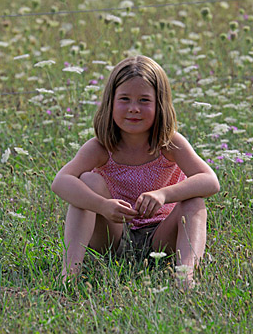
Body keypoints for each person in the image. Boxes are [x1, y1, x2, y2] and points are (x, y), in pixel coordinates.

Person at [51, 55, 220, 287]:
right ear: (110, 102)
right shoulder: (101, 146)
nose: (133, 109)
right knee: (88, 181)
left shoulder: (169, 143)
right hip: (114, 236)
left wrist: (164, 194)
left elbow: (210, 181)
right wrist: (102, 206)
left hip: (162, 238)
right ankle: (69, 277)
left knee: (194, 202)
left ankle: (185, 278)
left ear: (160, 104)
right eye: (124, 99)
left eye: (144, 100)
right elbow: (60, 182)